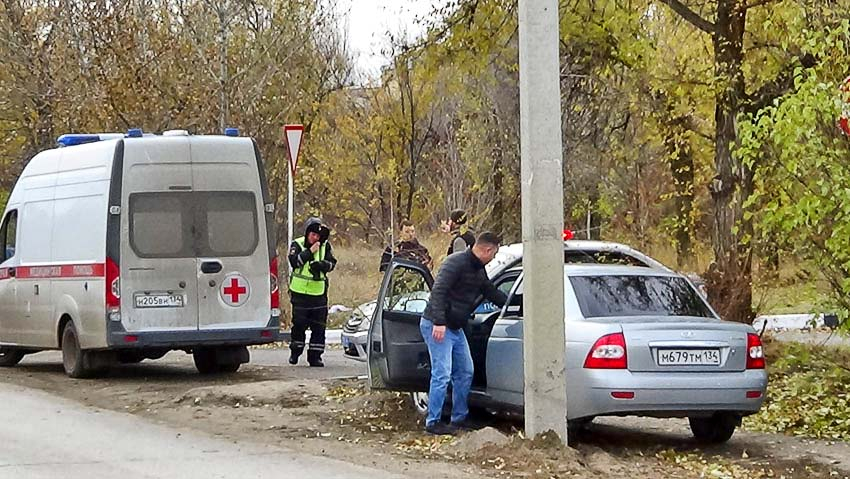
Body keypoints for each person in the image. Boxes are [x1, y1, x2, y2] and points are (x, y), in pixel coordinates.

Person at [419, 231, 507, 435]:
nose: (493, 258)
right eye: (493, 254)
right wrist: (439, 321)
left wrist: (516, 303)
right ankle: (433, 422)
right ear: (487, 249)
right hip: (437, 324)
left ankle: (459, 418)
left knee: (465, 371)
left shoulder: (478, 269)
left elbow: (490, 291)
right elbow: (438, 291)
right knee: (442, 373)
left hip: (456, 327)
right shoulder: (455, 262)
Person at [288, 217, 337, 367]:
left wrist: (322, 265)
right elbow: (294, 262)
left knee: (319, 326)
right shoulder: (297, 244)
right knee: (299, 324)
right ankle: (296, 351)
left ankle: (315, 356)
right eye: (313, 235)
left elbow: (332, 263)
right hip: (300, 293)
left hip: (318, 294)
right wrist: (310, 252)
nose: (316, 238)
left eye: (318, 236)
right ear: (308, 233)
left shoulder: (325, 246)